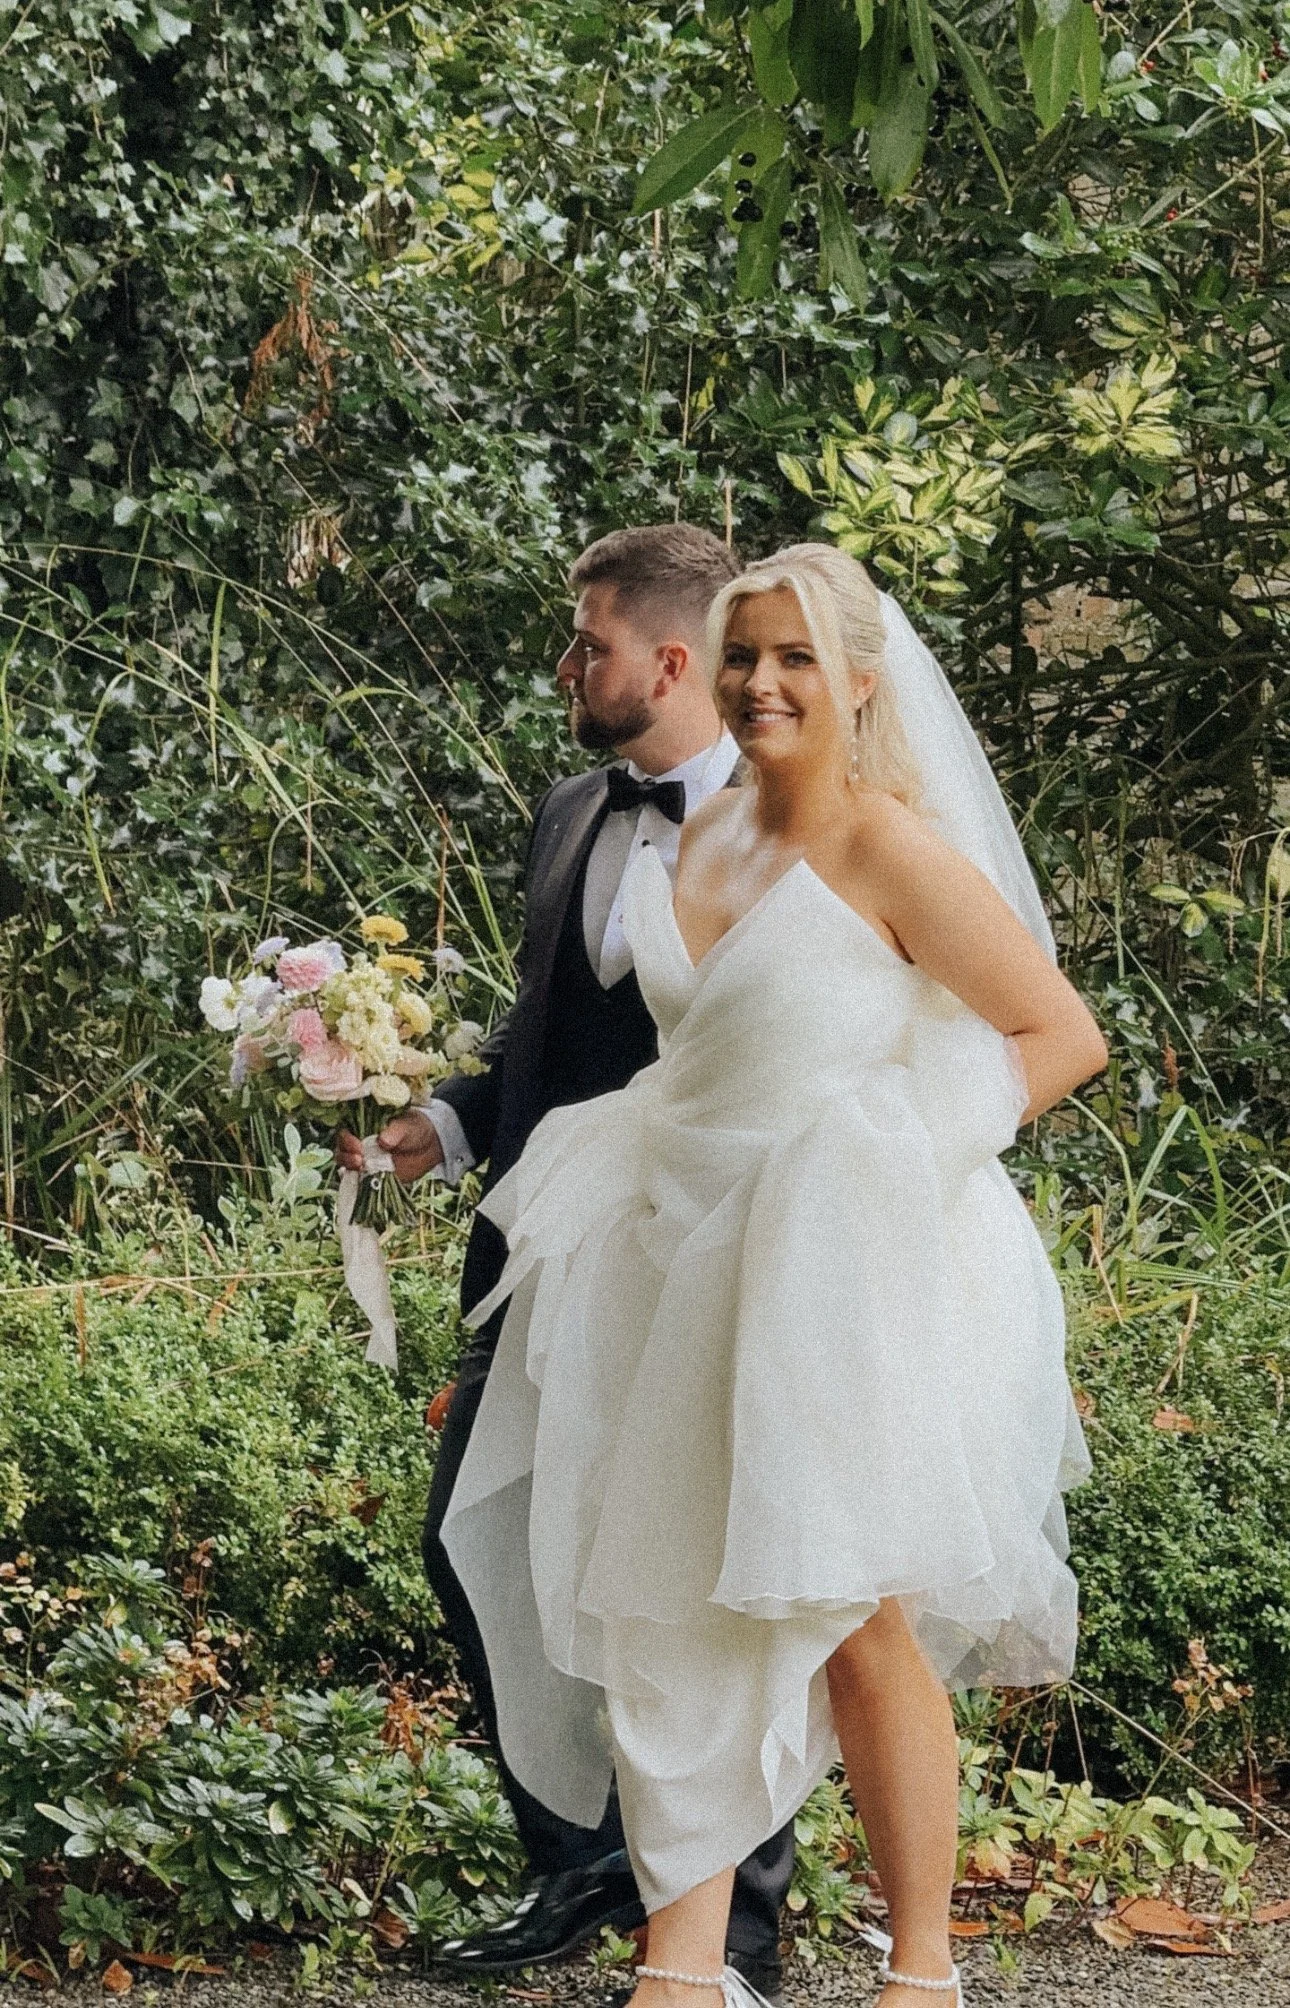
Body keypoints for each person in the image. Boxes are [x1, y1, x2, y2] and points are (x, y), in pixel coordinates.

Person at [439, 545, 1107, 2008]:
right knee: (660, 1592)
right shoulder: (704, 832)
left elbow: (1058, 1036)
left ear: (860, 681)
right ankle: (681, 1965)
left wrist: (879, 1148)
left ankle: (919, 1972)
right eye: (743, 654)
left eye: (795, 656)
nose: (760, 682)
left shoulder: (890, 848)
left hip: (840, 1263)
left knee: (851, 1611)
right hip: (671, 1249)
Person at [337, 525, 795, 1995]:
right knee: (486, 1546)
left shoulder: (808, 827)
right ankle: (584, 1866)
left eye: (586, 642)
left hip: (717, 1249)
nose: (564, 666)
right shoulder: (566, 812)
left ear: (668, 660)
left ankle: (727, 1929)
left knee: (718, 1579)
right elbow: (549, 1038)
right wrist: (447, 1128)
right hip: (540, 1242)